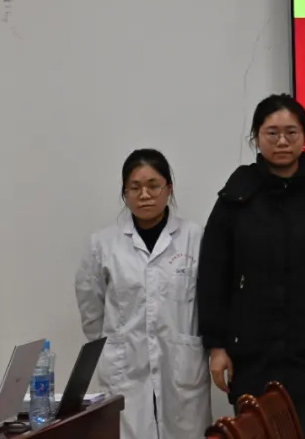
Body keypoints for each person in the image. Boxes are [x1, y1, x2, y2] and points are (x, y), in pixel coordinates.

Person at [197, 94, 305, 439]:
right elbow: (214, 277)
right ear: (256, 137)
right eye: (272, 133)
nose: (282, 141)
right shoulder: (236, 197)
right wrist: (217, 346)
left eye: (291, 132)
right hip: (253, 353)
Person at [75, 149, 211, 439]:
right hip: (125, 367)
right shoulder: (103, 244)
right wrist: (113, 348)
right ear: (124, 194)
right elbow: (91, 309)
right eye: (134, 188)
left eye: (153, 186)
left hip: (181, 367)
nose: (145, 195)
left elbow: (209, 302)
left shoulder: (194, 238)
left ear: (168, 189)